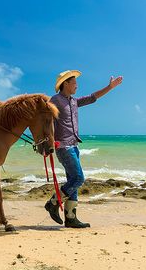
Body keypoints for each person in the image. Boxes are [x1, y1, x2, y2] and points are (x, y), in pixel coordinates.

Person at [45, 70, 123, 228]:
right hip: (63, 146)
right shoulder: (55, 101)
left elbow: (92, 98)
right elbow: (47, 121)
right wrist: (50, 142)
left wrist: (110, 87)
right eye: (74, 83)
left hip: (74, 145)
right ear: (65, 84)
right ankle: (53, 202)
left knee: (73, 181)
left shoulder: (73, 101)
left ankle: (71, 217)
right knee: (79, 178)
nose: (76, 86)